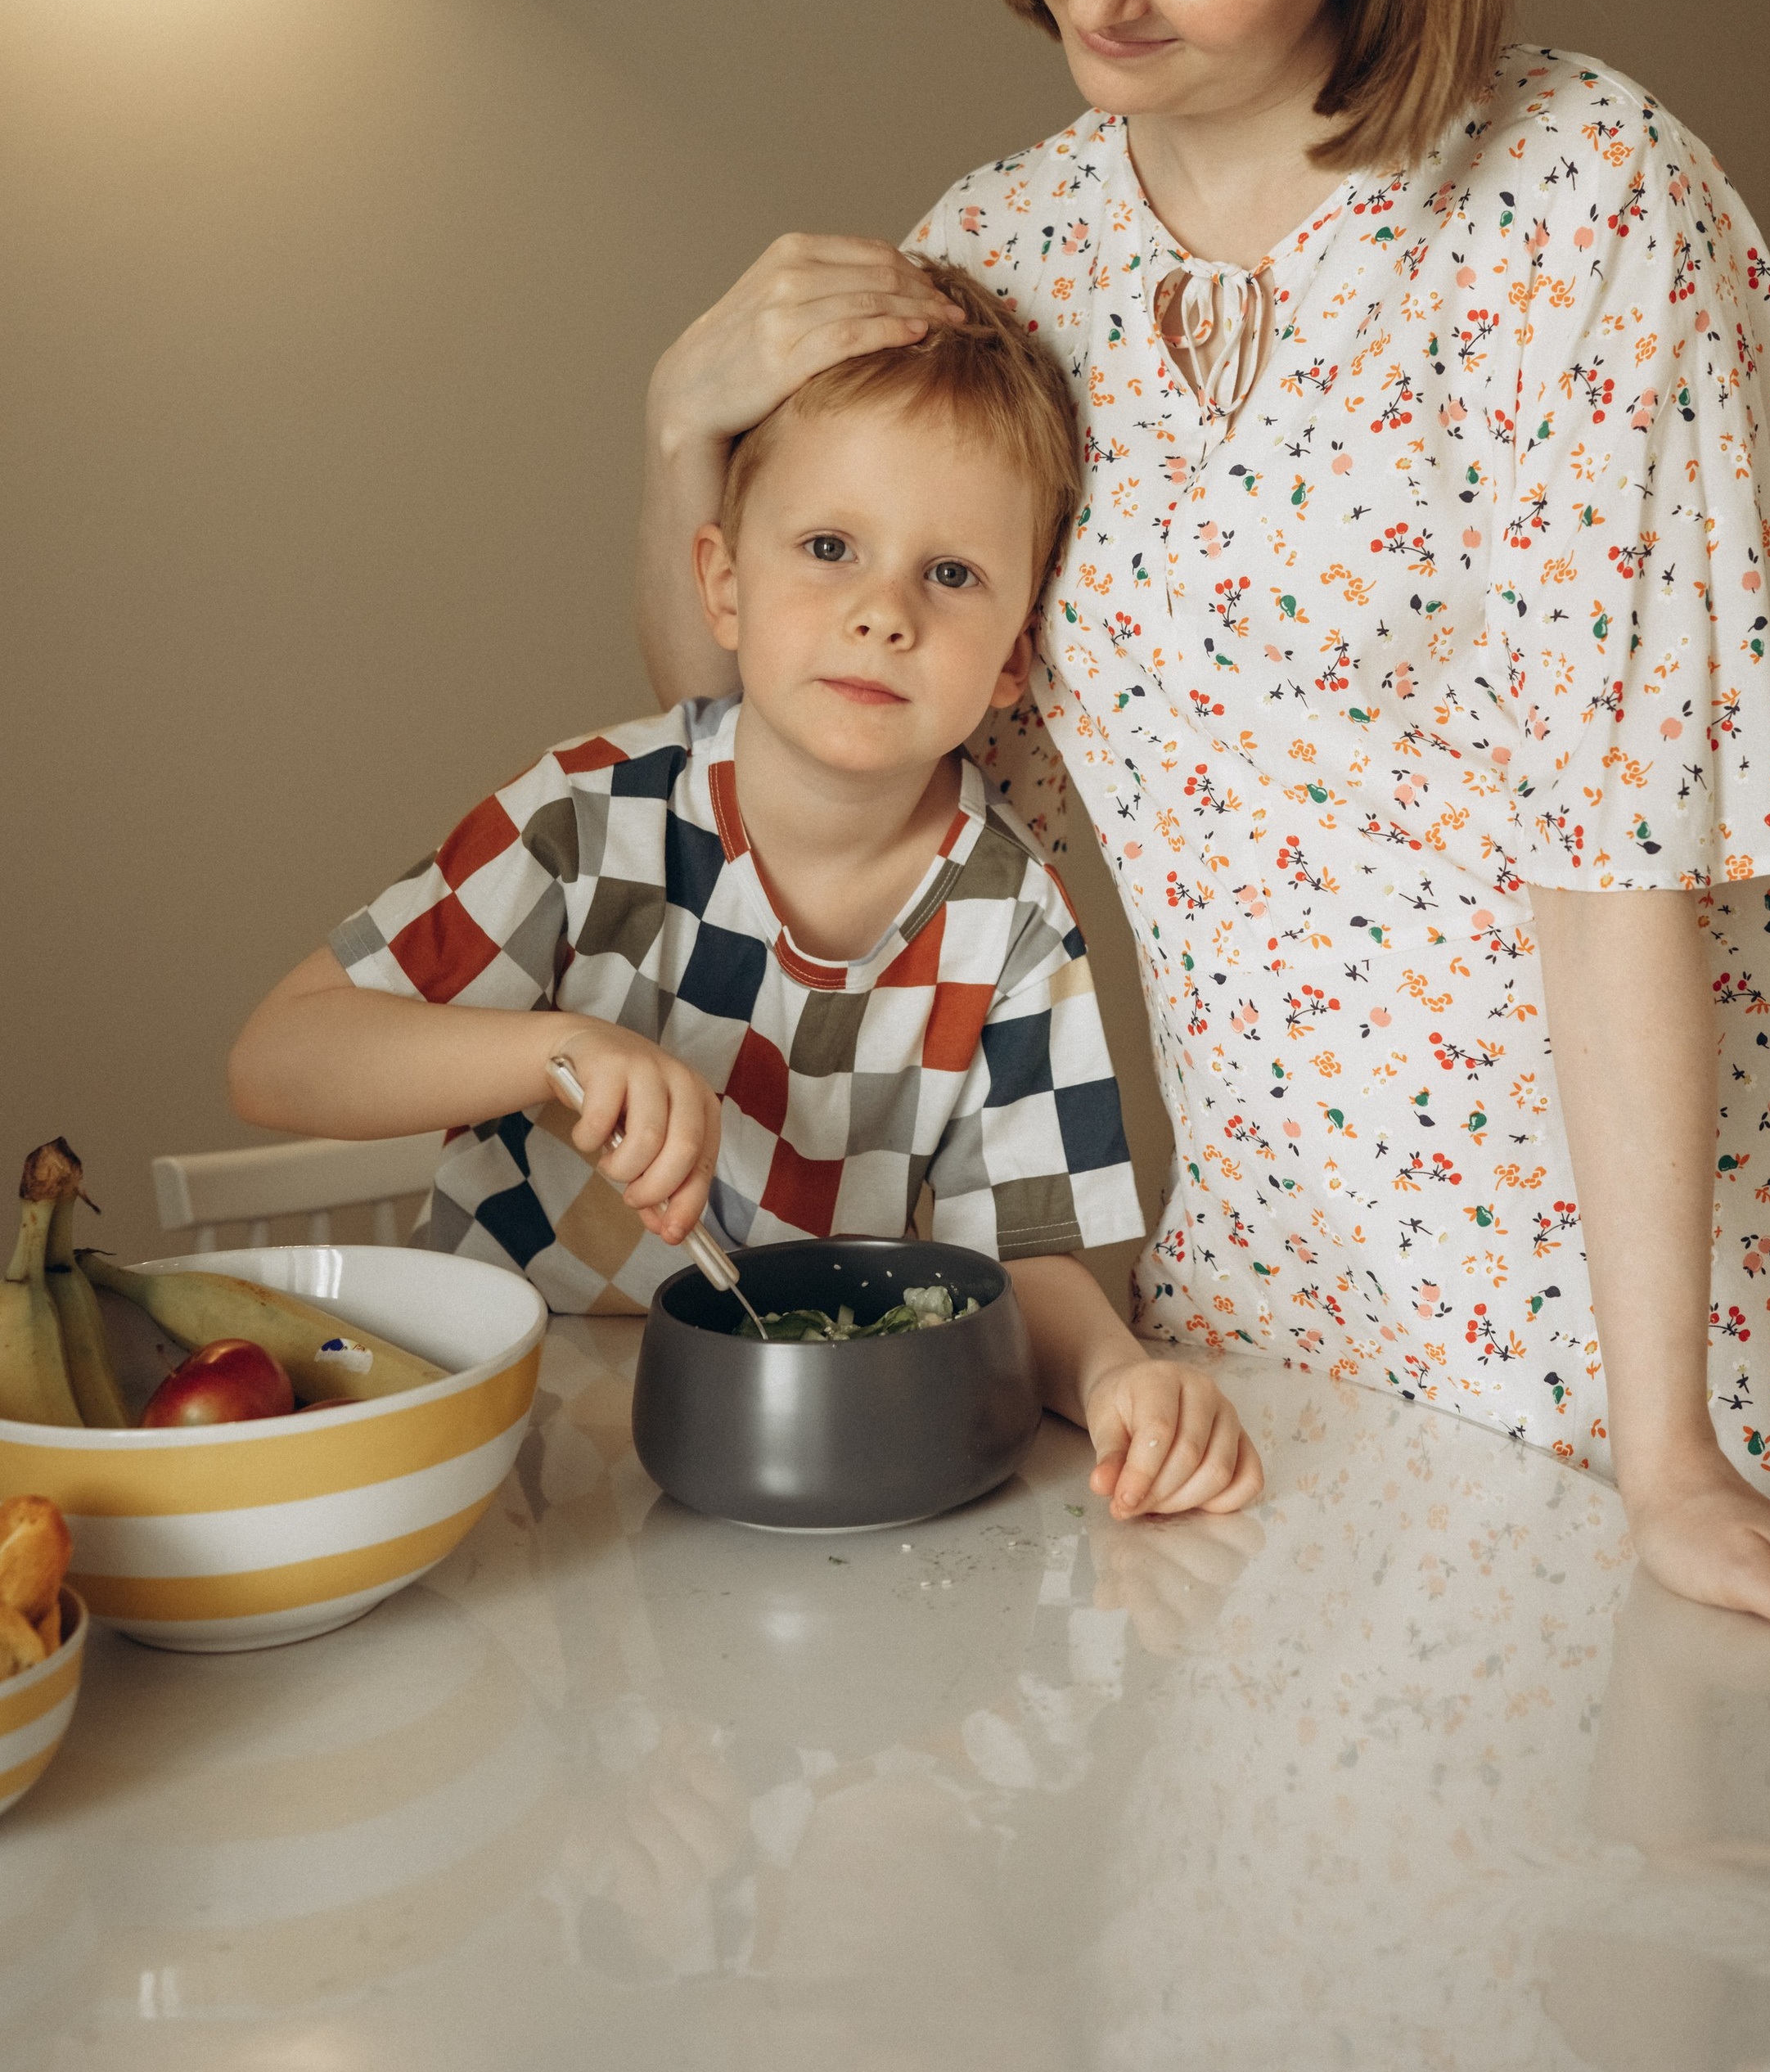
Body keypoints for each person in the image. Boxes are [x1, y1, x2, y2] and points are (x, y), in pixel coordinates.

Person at [633, 0, 1770, 1972]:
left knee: (1656, 2051)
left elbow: (1609, 835)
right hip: (1308, 1277)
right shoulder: (1009, 263)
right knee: (1344, 2027)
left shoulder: (1577, 207)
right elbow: (813, 777)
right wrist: (680, 422)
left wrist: (1667, 1455)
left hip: (1691, 1253)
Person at [229, 261, 1263, 1523]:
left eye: (951, 576)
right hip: (504, 1443)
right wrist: (555, 1052)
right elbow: (278, 1056)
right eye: (830, 548)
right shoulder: (581, 817)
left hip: (794, 1462)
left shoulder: (1012, 916)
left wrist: (1117, 1377)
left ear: (1015, 661)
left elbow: (1024, 1265)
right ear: (724, 582)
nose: (882, 613)